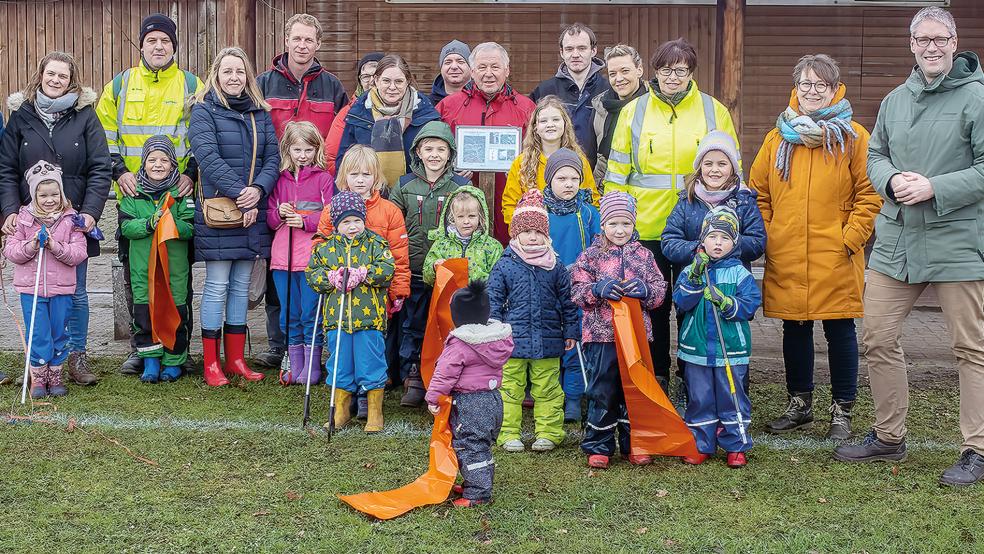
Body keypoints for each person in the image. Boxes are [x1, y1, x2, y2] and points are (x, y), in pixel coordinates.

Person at [834, 7, 984, 487]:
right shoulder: (895, 99)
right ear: (912, 44)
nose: (932, 46)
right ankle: (889, 435)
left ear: (955, 41)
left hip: (957, 237)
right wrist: (893, 178)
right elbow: (875, 154)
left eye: (941, 38)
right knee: (877, 336)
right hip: (897, 240)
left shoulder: (977, 99)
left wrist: (935, 186)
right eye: (924, 39)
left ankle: (976, 450)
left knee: (970, 348)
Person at [748, 54, 879, 441]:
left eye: (820, 84)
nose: (811, 92)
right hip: (787, 251)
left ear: (835, 88)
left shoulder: (853, 136)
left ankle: (842, 410)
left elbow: (869, 194)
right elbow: (759, 193)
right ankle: (799, 404)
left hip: (835, 252)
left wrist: (850, 238)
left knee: (840, 329)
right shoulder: (777, 138)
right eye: (805, 84)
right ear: (796, 87)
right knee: (795, 327)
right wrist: (772, 234)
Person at [603, 37, 739, 393]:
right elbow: (617, 172)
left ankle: (690, 371)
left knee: (695, 301)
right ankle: (657, 371)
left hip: (700, 226)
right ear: (655, 72)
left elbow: (729, 168)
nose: (673, 77)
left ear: (691, 72)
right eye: (666, 70)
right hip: (646, 226)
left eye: (680, 71)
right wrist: (616, 221)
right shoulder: (634, 111)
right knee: (655, 303)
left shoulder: (714, 110)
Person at [96, 13, 203, 377]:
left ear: (175, 46)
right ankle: (141, 348)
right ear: (141, 45)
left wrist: (190, 174)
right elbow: (104, 135)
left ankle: (178, 347)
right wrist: (119, 172)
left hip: (176, 194)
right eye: (152, 41)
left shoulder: (192, 83)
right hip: (134, 194)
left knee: (177, 274)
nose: (159, 47)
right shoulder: (121, 84)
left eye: (166, 41)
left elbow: (201, 136)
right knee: (136, 273)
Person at [0, 51, 112, 388]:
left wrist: (90, 213)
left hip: (71, 222)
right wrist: (8, 211)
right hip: (29, 220)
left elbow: (101, 168)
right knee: (34, 294)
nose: (56, 80)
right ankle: (39, 363)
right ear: (41, 75)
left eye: (63, 76)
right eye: (51, 74)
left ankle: (75, 356)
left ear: (72, 80)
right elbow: (6, 168)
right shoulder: (21, 116)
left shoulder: (86, 116)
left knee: (74, 292)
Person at [256, 12, 349, 368]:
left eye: (309, 39)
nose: (302, 45)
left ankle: (310, 347)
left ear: (318, 44)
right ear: (286, 40)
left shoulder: (332, 87)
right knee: (276, 266)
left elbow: (338, 138)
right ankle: (278, 345)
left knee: (309, 274)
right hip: (275, 179)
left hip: (317, 182)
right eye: (297, 38)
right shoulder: (265, 82)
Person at [189, 47, 280, 387]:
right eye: (227, 71)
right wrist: (243, 194)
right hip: (222, 212)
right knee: (216, 286)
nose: (233, 77)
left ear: (248, 76)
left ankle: (236, 359)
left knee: (241, 287)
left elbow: (273, 157)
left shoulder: (261, 113)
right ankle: (211, 362)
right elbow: (207, 158)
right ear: (216, 75)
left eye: (239, 72)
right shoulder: (204, 111)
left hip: (252, 210)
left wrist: (258, 189)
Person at [570, 191, 666, 469]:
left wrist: (646, 291)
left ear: (634, 225)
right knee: (603, 389)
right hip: (601, 336)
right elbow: (576, 292)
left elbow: (660, 291)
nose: (620, 230)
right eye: (613, 224)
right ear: (603, 225)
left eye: (626, 224)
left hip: (635, 336)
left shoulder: (645, 256)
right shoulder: (590, 256)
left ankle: (634, 442)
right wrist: (597, 290)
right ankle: (599, 445)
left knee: (634, 389)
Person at [316, 145, 409, 415]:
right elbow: (320, 248)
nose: (360, 180)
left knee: (371, 349)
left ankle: (370, 401)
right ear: (344, 176)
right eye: (354, 174)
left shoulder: (389, 211)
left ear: (376, 177)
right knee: (343, 350)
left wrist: (398, 290)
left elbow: (398, 256)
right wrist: (332, 276)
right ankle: (347, 400)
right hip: (341, 298)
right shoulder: (332, 209)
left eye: (366, 174)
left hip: (373, 296)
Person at [488, 189, 578, 453]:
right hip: (511, 342)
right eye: (526, 231)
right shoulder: (505, 264)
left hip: (548, 341)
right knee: (510, 389)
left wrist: (571, 330)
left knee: (548, 388)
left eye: (538, 232)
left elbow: (569, 302)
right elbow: (493, 297)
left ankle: (548, 433)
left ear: (546, 234)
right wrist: (494, 326)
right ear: (516, 233)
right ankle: (508, 433)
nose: (532, 236)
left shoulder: (556, 267)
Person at [673, 207, 762, 468]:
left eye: (725, 238)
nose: (718, 243)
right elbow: (681, 301)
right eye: (712, 237)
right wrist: (694, 276)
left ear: (734, 242)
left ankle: (736, 444)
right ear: (703, 241)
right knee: (700, 397)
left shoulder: (739, 273)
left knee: (731, 396)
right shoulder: (692, 270)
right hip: (697, 347)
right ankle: (702, 443)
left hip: (730, 348)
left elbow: (750, 305)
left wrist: (726, 302)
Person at [390, 121, 469, 407]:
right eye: (428, 148)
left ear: (450, 154)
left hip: (447, 272)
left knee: (445, 324)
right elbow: (394, 225)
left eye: (441, 149)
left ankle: (444, 375)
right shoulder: (404, 185)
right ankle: (413, 375)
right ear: (418, 152)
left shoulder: (461, 186)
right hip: (413, 267)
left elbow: (472, 223)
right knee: (413, 323)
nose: (434, 154)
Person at [307, 191, 395, 434]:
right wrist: (329, 277)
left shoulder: (376, 244)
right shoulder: (325, 250)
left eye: (357, 220)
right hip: (337, 320)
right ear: (336, 224)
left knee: (371, 364)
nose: (353, 226)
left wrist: (365, 273)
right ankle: (341, 409)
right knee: (340, 365)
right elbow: (312, 275)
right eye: (346, 222)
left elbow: (388, 269)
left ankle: (375, 412)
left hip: (369, 319)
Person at [436, 42, 536, 243]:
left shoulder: (526, 108)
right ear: (472, 71)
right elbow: (433, 151)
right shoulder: (448, 107)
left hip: (508, 199)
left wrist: (521, 170)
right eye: (482, 67)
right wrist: (450, 170)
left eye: (495, 67)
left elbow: (538, 153)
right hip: (463, 203)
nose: (488, 73)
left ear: (507, 71)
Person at [2, 161, 87, 398]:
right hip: (32, 289)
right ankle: (38, 378)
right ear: (34, 195)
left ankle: (55, 375)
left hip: (62, 289)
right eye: (43, 195)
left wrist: (54, 245)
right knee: (38, 332)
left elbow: (79, 253)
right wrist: (32, 245)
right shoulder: (23, 219)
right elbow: (12, 251)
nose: (49, 199)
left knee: (59, 332)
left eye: (54, 194)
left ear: (61, 193)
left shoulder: (72, 220)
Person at [426, 280, 513, 508]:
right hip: (493, 400)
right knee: (481, 445)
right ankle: (476, 483)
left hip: (470, 403)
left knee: (470, 446)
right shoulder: (495, 339)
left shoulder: (461, 344)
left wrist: (433, 397)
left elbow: (444, 374)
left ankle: (477, 493)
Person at [118, 136, 194, 383]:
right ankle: (150, 361)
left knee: (175, 314)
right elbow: (126, 227)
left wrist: (172, 223)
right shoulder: (132, 194)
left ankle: (173, 362)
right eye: (152, 160)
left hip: (174, 269)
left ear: (174, 164)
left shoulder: (182, 194)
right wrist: (149, 224)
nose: (158, 164)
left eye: (164, 160)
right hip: (143, 269)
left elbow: (191, 228)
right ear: (143, 163)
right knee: (144, 314)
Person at [267, 121, 334, 385]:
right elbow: (270, 219)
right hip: (282, 258)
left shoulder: (324, 179)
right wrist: (279, 213)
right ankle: (295, 364)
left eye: (308, 150)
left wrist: (305, 221)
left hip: (311, 258)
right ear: (288, 150)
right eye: (297, 150)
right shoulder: (279, 179)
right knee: (288, 314)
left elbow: (330, 218)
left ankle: (312, 366)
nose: (302, 155)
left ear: (316, 150)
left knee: (310, 312)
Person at [542, 148, 601, 422]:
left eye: (574, 178)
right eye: (561, 178)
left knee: (574, 343)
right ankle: (549, 397)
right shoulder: (539, 212)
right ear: (549, 181)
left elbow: (600, 250)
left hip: (579, 290)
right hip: (547, 288)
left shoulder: (589, 213)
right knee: (552, 344)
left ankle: (574, 398)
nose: (568, 184)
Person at [662, 130, 765, 272]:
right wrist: (700, 249)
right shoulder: (687, 201)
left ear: (732, 168)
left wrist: (728, 245)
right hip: (693, 283)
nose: (714, 170)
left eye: (722, 164)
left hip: (732, 284)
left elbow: (757, 243)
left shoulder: (744, 202)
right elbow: (669, 242)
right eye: (708, 164)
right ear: (700, 167)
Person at [335, 54, 441, 189]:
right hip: (368, 197)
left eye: (398, 81)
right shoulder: (358, 112)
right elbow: (343, 163)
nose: (392, 87)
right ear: (376, 80)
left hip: (414, 198)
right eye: (386, 81)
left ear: (407, 81)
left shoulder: (426, 115)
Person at [502, 96, 599, 226]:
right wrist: (522, 231)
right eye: (543, 121)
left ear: (565, 124)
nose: (550, 125)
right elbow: (510, 204)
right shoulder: (521, 163)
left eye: (556, 119)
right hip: (534, 235)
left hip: (571, 232)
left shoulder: (578, 160)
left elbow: (592, 200)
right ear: (535, 127)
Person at [530, 23, 610, 169]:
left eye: (582, 48)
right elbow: (531, 135)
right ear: (561, 52)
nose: (575, 54)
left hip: (596, 174)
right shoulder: (544, 91)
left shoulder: (608, 91)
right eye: (569, 49)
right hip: (552, 176)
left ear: (593, 51)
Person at [423, 185, 503, 287]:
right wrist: (434, 267)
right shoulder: (441, 244)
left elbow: (500, 279)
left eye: (472, 216)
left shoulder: (492, 247)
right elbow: (427, 277)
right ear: (452, 218)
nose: (466, 221)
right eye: (460, 216)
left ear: (481, 216)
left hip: (481, 300)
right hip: (450, 301)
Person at [591, 44, 649, 184]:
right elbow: (591, 156)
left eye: (625, 71)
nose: (619, 78)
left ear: (639, 70)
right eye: (612, 74)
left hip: (644, 193)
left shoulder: (655, 106)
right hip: (605, 190)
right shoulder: (600, 107)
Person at [325, 52, 384, 175]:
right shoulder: (349, 112)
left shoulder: (405, 109)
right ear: (360, 81)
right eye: (366, 77)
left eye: (376, 75)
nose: (371, 81)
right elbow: (331, 157)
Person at [430, 40, 471, 106]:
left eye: (460, 62)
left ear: (471, 68)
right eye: (448, 62)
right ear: (441, 68)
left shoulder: (483, 101)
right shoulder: (428, 105)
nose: (454, 67)